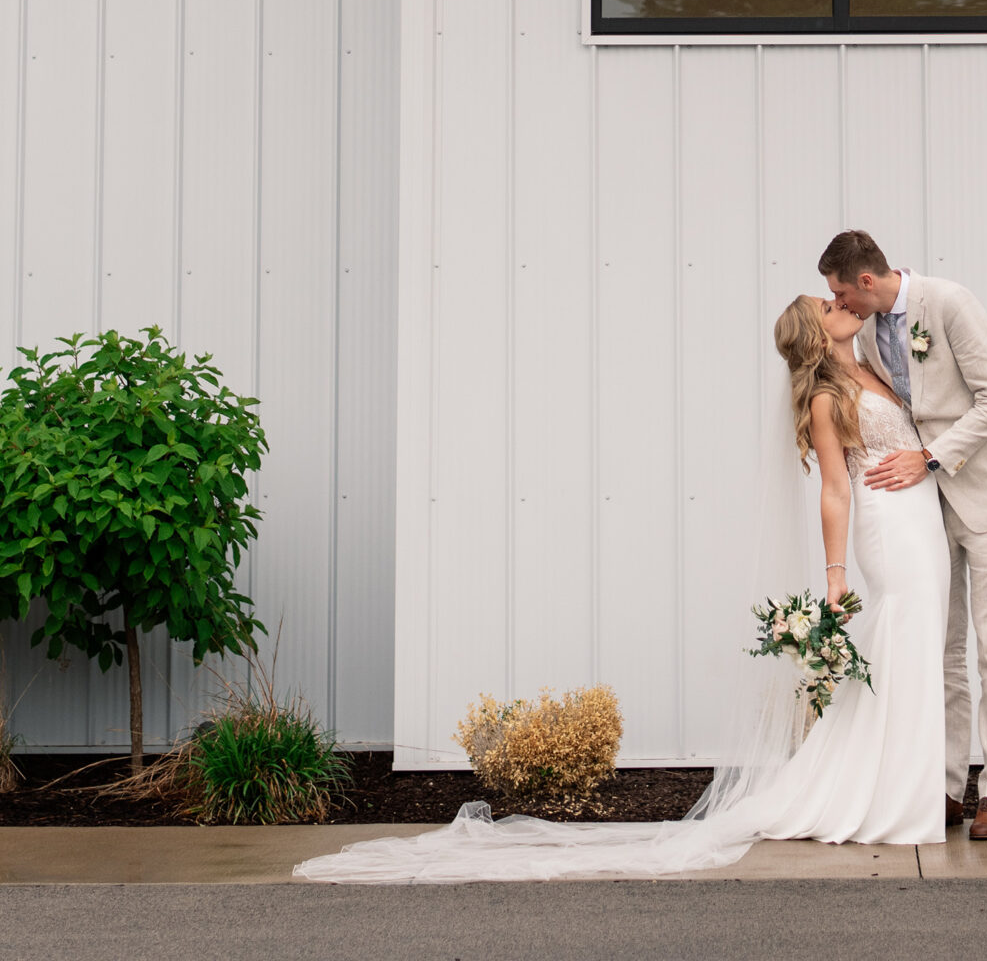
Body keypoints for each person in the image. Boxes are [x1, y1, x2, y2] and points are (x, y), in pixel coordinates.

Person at [295, 287, 953, 880]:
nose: (843, 304)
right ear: (817, 333)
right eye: (829, 305)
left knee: (917, 647)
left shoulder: (870, 360)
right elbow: (835, 489)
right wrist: (835, 574)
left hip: (921, 516)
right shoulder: (824, 397)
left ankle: (900, 782)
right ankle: (893, 796)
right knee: (905, 638)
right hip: (888, 530)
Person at [819, 227, 987, 845]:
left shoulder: (948, 304)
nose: (841, 306)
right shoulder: (864, 335)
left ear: (866, 281)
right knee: (942, 652)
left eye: (842, 294)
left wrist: (931, 457)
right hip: (923, 513)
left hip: (985, 497)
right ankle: (946, 784)